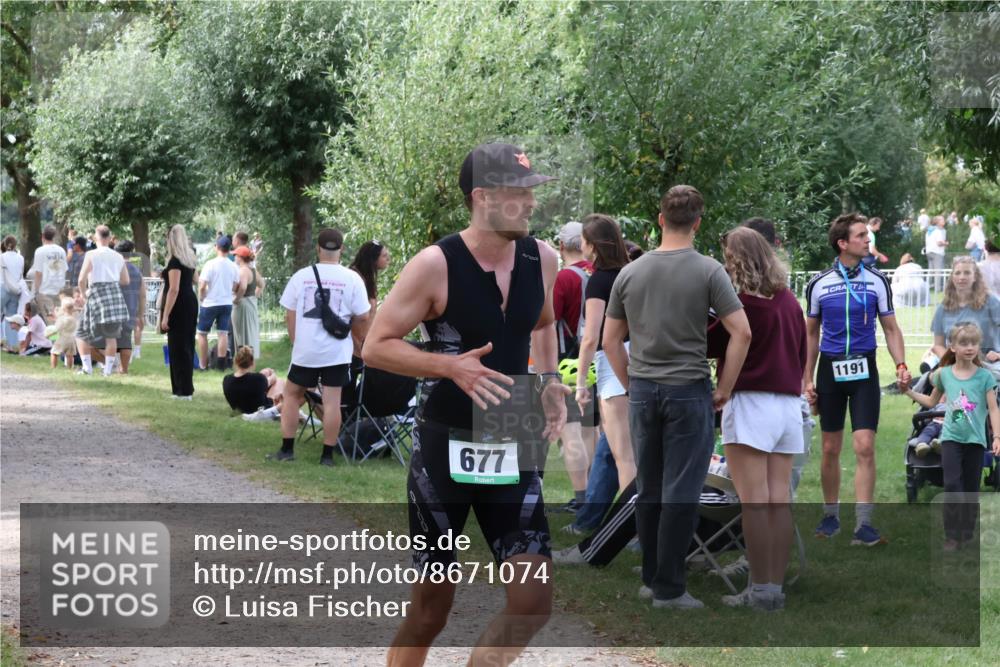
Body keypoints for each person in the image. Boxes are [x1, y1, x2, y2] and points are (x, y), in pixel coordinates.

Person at [362, 142, 568, 666]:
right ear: (482, 197)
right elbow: (376, 346)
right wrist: (450, 366)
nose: (531, 202)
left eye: (532, 191)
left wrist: (548, 381)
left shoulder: (541, 258)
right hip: (445, 442)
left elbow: (543, 324)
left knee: (532, 602)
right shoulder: (436, 264)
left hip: (513, 435)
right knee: (432, 609)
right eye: (518, 192)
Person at [603, 184, 751, 610]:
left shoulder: (630, 272)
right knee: (681, 491)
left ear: (660, 219)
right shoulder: (709, 271)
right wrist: (725, 387)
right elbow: (742, 332)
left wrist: (631, 383)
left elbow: (610, 341)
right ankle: (669, 589)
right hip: (688, 389)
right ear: (698, 222)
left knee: (648, 488)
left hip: (643, 390)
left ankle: (653, 579)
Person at [705, 227, 805, 611]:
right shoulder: (788, 300)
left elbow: (711, 342)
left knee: (754, 503)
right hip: (788, 405)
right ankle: (773, 589)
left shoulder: (743, 305)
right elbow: (800, 350)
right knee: (779, 501)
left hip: (750, 401)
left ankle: (759, 588)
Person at [803, 213, 911, 545]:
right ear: (843, 243)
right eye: (861, 235)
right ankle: (830, 515)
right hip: (830, 370)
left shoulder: (877, 280)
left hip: (864, 369)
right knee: (830, 448)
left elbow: (891, 328)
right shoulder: (819, 284)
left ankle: (863, 523)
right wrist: (806, 378)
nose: (868, 240)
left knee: (865, 446)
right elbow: (811, 335)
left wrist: (901, 364)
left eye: (867, 235)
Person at [272, 227, 370, 466]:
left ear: (318, 248)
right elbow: (364, 316)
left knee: (292, 395)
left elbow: (290, 314)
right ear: (341, 249)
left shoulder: (301, 276)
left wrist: (296, 341)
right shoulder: (352, 278)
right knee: (332, 401)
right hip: (337, 351)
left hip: (306, 350)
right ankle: (327, 455)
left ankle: (287, 449)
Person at [903, 322, 1000, 550]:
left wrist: (997, 437)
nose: (970, 347)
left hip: (976, 441)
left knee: (971, 488)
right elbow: (931, 402)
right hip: (950, 439)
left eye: (974, 343)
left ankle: (966, 533)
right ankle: (952, 535)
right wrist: (908, 391)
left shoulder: (985, 377)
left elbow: (994, 409)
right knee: (953, 484)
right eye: (964, 343)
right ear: (953, 347)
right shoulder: (944, 375)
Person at [576, 214, 635, 494]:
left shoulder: (599, 281)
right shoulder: (632, 273)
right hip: (639, 356)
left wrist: (580, 384)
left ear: (593, 245)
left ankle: (634, 519)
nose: (581, 246)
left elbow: (591, 337)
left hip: (613, 363)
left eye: (583, 241)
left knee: (625, 457)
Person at [551, 221, 598, 513]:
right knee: (590, 430)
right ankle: (593, 494)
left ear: (561, 246)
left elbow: (548, 320)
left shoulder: (564, 278)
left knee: (570, 433)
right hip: (595, 360)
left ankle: (581, 498)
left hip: (568, 362)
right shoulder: (598, 273)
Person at [74, 225, 130, 377]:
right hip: (114, 295)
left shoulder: (91, 254)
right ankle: (107, 371)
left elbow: (81, 280)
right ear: (110, 238)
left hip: (96, 294)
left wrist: (84, 296)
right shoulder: (118, 256)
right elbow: (125, 280)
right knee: (111, 336)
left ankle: (87, 368)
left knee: (81, 332)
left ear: (95, 238)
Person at [928, 256, 1000, 367]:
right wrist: (951, 363)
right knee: (929, 372)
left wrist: (998, 355)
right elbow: (938, 345)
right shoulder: (943, 308)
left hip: (988, 362)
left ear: (975, 277)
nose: (962, 277)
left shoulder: (991, 302)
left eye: (967, 273)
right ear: (952, 277)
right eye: (957, 273)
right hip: (954, 363)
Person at [159, 224, 199, 399]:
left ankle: (182, 389)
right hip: (190, 301)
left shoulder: (175, 261)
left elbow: (173, 289)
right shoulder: (190, 259)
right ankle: (184, 388)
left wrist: (165, 315)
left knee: (177, 346)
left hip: (179, 304)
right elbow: (196, 280)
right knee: (187, 345)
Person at [197, 235, 240, 370]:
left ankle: (203, 365)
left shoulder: (210, 264)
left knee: (202, 333)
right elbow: (235, 286)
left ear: (217, 247)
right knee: (223, 333)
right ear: (229, 249)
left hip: (210, 303)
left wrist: (201, 296)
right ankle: (221, 365)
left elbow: (202, 285)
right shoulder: (233, 266)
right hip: (226, 302)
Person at [107, 240, 145, 374]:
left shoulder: (113, 268)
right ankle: (124, 368)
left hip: (114, 309)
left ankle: (111, 365)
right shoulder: (137, 271)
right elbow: (142, 295)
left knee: (110, 339)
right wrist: (140, 314)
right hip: (131, 309)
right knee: (126, 340)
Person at [223, 345, 285, 415]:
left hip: (240, 410)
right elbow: (272, 379)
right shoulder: (258, 379)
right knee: (280, 381)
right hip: (262, 410)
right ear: (252, 362)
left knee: (265, 372)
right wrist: (272, 372)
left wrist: (266, 372)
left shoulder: (226, 379)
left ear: (236, 361)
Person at [31, 224, 69, 322]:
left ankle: (53, 333)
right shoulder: (61, 251)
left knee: (50, 322)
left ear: (42, 236)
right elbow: (64, 270)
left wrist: (35, 292)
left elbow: (38, 273)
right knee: (60, 321)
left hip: (45, 291)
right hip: (59, 291)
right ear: (54, 236)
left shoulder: (40, 251)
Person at [232, 246, 264, 359]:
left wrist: (236, 300)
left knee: (242, 332)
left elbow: (243, 288)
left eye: (235, 255)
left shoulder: (243, 271)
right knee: (250, 331)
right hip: (251, 303)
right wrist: (255, 295)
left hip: (242, 304)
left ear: (240, 257)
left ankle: (244, 358)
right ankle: (249, 357)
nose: (234, 257)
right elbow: (262, 284)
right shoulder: (253, 270)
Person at [1, 235, 25, 351]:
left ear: (5, 245)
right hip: (15, 289)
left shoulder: (1, 257)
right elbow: (21, 274)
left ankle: (2, 341)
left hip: (2, 286)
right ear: (15, 245)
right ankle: (12, 345)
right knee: (11, 317)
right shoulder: (20, 258)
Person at [49, 293, 78, 369]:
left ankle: (53, 367)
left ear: (63, 309)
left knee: (54, 352)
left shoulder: (62, 319)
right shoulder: (74, 318)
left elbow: (57, 328)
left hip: (61, 339)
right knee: (70, 355)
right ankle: (69, 367)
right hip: (71, 339)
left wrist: (50, 334)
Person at [925, 215, 948, 291]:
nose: (944, 221)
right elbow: (939, 243)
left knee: (930, 271)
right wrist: (946, 243)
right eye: (942, 220)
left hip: (929, 251)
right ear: (938, 222)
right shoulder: (938, 231)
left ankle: (927, 287)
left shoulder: (929, 231)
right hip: (937, 252)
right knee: (938, 271)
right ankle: (937, 289)